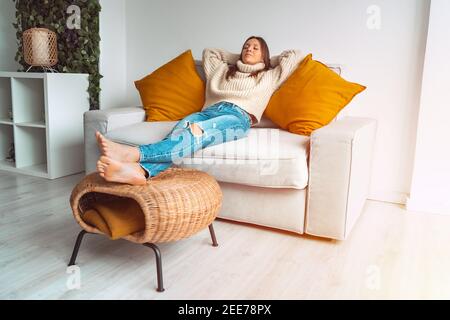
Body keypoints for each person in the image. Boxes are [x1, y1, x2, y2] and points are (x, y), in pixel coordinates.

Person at [96, 36, 304, 185]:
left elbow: (294, 56)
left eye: (255, 48)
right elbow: (209, 53)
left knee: (196, 133)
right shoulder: (222, 71)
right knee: (179, 135)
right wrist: (239, 59)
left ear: (264, 55)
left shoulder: (268, 76)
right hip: (207, 112)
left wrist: (264, 62)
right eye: (246, 46)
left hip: (236, 117)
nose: (248, 49)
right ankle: (140, 171)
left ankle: (133, 153)